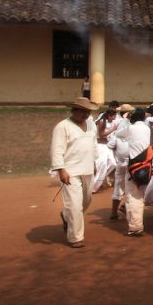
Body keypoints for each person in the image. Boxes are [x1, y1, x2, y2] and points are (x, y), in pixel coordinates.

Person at [50, 98, 99, 248]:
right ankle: (75, 237)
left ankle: (66, 216)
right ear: (74, 110)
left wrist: (95, 161)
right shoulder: (63, 127)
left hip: (88, 169)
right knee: (75, 205)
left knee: (86, 201)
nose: (85, 115)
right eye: (83, 111)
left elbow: (94, 145)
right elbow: (56, 149)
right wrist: (60, 169)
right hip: (70, 171)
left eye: (88, 112)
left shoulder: (91, 125)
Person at [119, 107, 152, 237]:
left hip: (134, 167)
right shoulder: (151, 130)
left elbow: (118, 134)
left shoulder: (131, 128)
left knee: (133, 197)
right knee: (146, 195)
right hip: (149, 167)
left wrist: (126, 120)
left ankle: (135, 226)